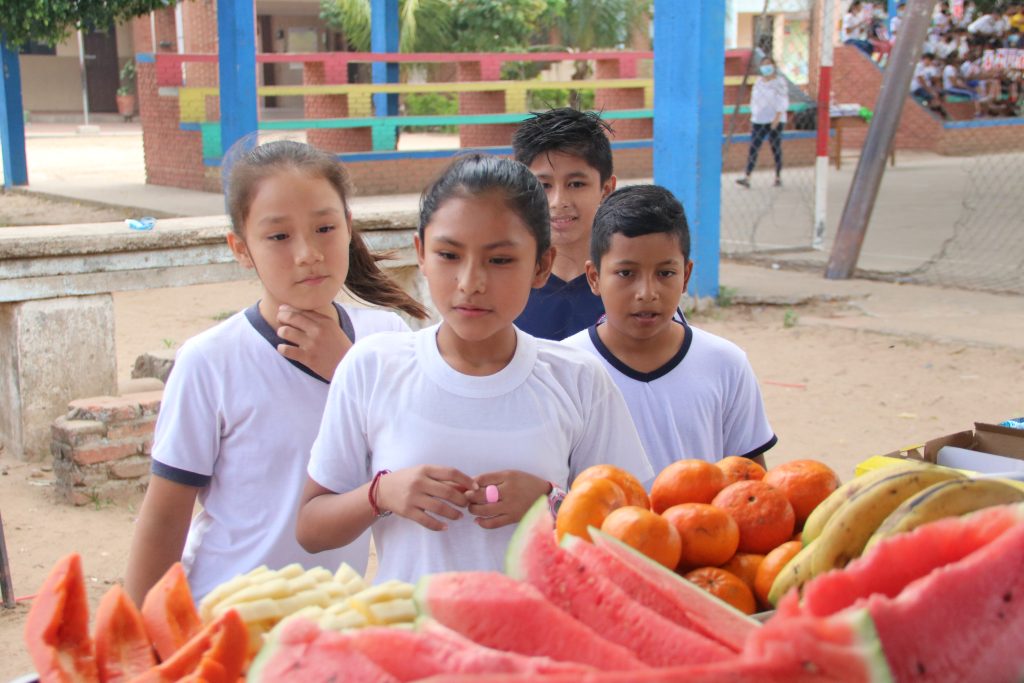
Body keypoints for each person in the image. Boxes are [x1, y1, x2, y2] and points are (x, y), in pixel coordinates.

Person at [296, 155, 653, 584]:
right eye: (448, 254)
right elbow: (311, 529)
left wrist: (553, 503)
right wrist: (381, 493)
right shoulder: (373, 367)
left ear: (541, 265)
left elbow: (635, 528)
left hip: (543, 641)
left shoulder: (577, 378)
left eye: (499, 260)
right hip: (412, 642)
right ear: (421, 254)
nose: (470, 282)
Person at [123, 141, 428, 605]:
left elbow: (414, 461)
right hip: (223, 617)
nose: (307, 253)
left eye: (325, 227)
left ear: (349, 227)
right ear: (241, 249)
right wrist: (143, 644)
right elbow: (165, 519)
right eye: (279, 236)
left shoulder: (384, 337)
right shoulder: (210, 361)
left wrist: (346, 370)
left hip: (329, 623)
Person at [562, 185, 777, 474]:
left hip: (701, 521)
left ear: (686, 275)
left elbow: (752, 489)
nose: (647, 293)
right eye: (626, 273)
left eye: (665, 273)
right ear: (594, 277)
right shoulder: (564, 368)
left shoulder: (726, 364)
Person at [510, 108, 617, 340]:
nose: (559, 202)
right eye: (544, 185)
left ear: (606, 190)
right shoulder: (503, 288)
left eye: (576, 184)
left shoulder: (630, 286)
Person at [736, 56, 788, 189]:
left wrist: (777, 117)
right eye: (763, 65)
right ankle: (747, 177)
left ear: (774, 66)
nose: (766, 67)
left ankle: (778, 177)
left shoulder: (779, 82)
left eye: (768, 64)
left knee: (775, 148)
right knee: (754, 148)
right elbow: (754, 100)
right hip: (759, 120)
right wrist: (753, 115)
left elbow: (782, 100)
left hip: (774, 120)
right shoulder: (759, 82)